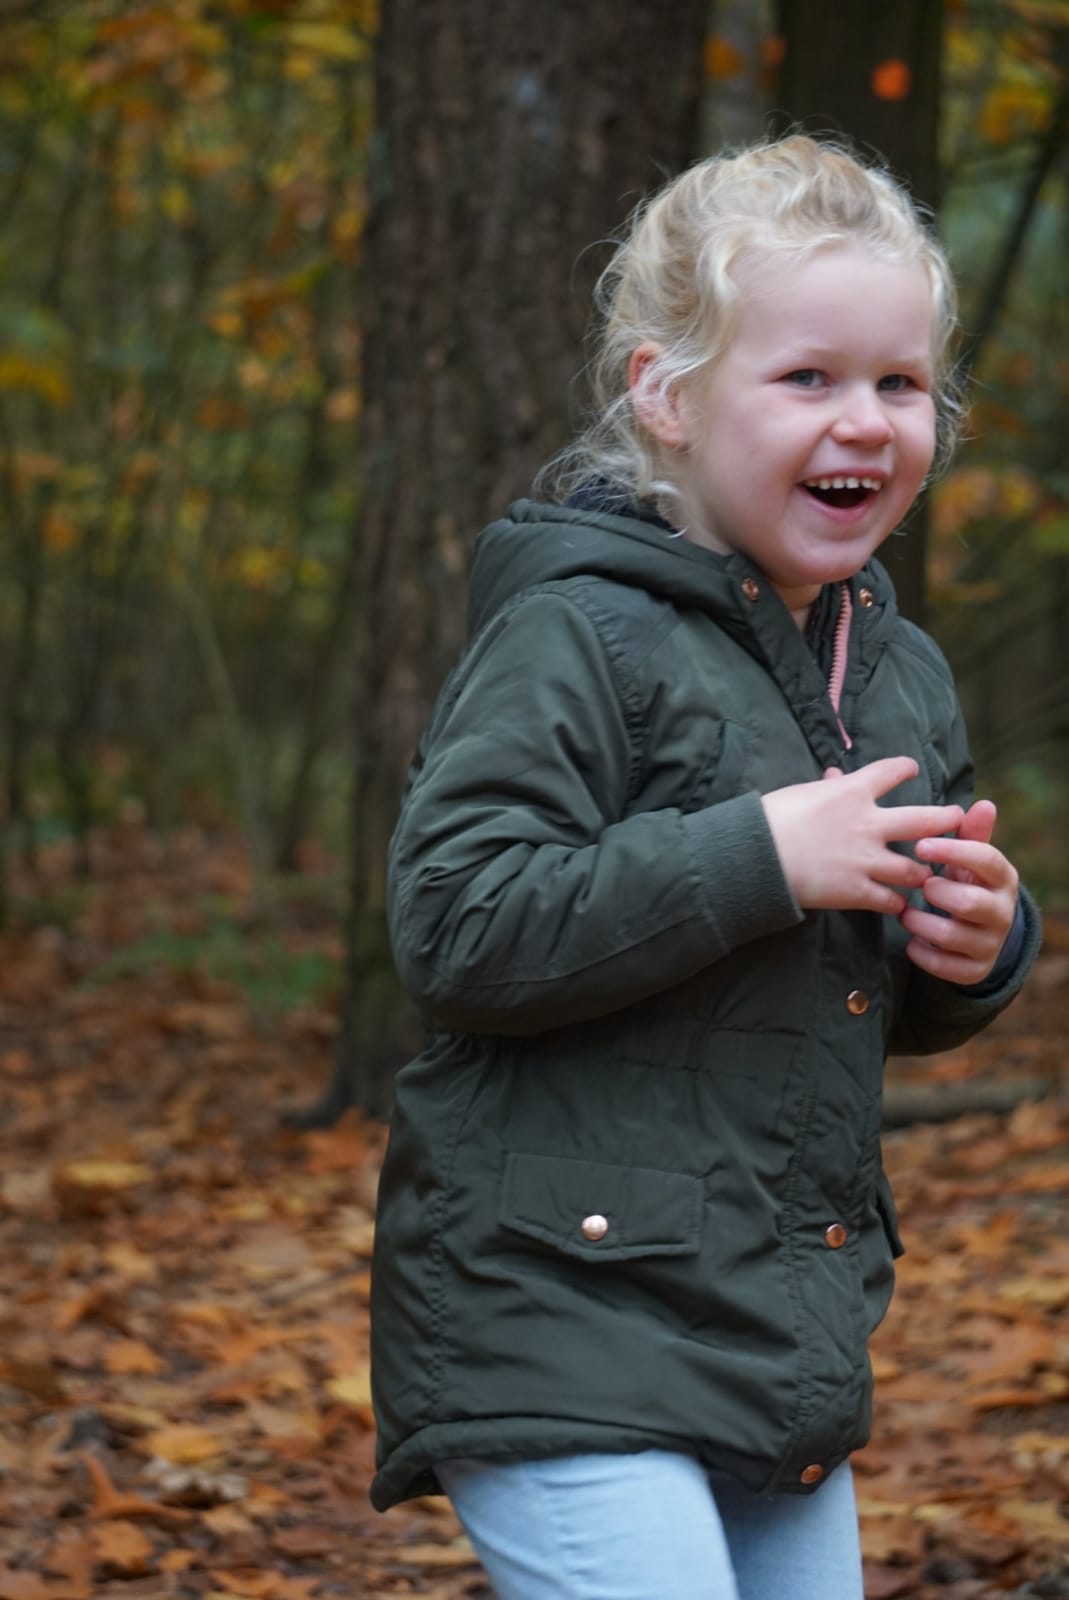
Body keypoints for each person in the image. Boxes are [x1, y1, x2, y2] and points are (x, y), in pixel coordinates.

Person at [368, 135, 1041, 1600]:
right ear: (664, 398)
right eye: (805, 379)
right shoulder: (576, 633)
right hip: (551, 1298)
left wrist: (973, 945)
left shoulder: (899, 674)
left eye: (899, 383)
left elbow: (874, 991)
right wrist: (757, 854)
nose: (862, 420)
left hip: (772, 1317)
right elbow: (455, 925)